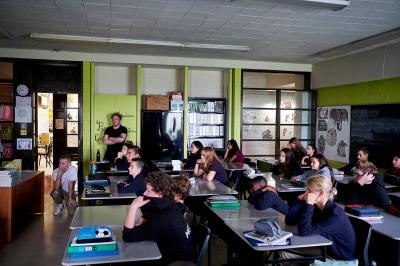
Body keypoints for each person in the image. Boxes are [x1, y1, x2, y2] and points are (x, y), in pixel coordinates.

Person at [122, 172, 193, 265]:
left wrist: (133, 206)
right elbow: (147, 217)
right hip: (182, 258)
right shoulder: (170, 205)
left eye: (148, 190)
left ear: (160, 193)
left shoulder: (162, 217)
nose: (144, 193)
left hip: (175, 263)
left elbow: (128, 236)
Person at [285, 175, 356, 261]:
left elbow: (304, 231)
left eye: (309, 191)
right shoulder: (318, 208)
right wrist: (299, 199)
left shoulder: (335, 215)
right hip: (324, 247)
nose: (306, 194)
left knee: (284, 253)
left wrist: (309, 205)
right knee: (283, 249)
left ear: (321, 193)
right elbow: (289, 220)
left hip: (337, 257)